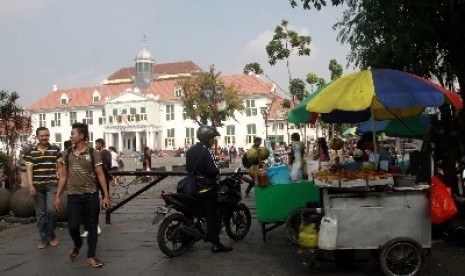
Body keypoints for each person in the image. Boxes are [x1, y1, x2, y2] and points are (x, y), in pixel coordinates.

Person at [54, 122, 111, 268]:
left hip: (91, 194)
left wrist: (105, 195)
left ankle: (91, 256)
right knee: (72, 226)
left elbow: (100, 175)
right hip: (73, 195)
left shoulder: (94, 153)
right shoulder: (67, 153)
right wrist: (58, 196)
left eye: (73, 133)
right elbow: (63, 176)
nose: (71, 136)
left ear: (81, 136)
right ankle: (78, 244)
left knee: (91, 226)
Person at [185, 125, 232, 253]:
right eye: (212, 138)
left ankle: (187, 237)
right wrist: (216, 171)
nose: (213, 141)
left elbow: (188, 168)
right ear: (207, 139)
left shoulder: (190, 151)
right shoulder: (207, 151)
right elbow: (213, 170)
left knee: (191, 210)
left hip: (192, 185)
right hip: (205, 187)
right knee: (211, 213)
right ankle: (215, 243)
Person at [25, 127, 62, 249]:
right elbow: (29, 169)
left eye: (47, 135)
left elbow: (60, 168)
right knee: (40, 214)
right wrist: (30, 185)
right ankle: (44, 239)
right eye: (42, 136)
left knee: (51, 211)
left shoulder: (55, 150)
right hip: (37, 184)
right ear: (37, 137)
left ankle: (52, 235)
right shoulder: (31, 152)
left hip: (51, 184)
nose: (45, 138)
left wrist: (61, 184)